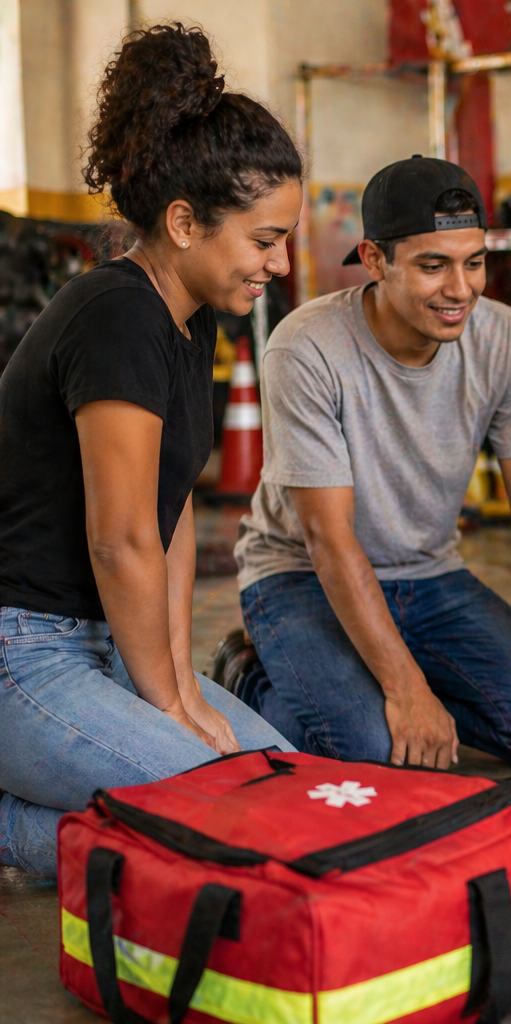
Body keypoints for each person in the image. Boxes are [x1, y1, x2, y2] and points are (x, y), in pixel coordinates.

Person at [0, 25, 299, 877]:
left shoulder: (189, 317)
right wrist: (169, 702)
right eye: (264, 239)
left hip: (101, 642)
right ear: (182, 222)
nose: (277, 262)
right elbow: (120, 537)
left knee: (292, 794)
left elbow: (167, 522)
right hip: (22, 653)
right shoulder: (118, 315)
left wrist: (169, 679)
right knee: (227, 827)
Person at [231, 156, 511, 770]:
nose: (461, 289)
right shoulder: (306, 347)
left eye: (474, 262)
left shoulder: (504, 337)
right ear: (376, 261)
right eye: (434, 265)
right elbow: (328, 538)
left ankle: (370, 680)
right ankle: (250, 677)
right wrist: (407, 691)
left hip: (430, 575)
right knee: (378, 752)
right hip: (298, 576)